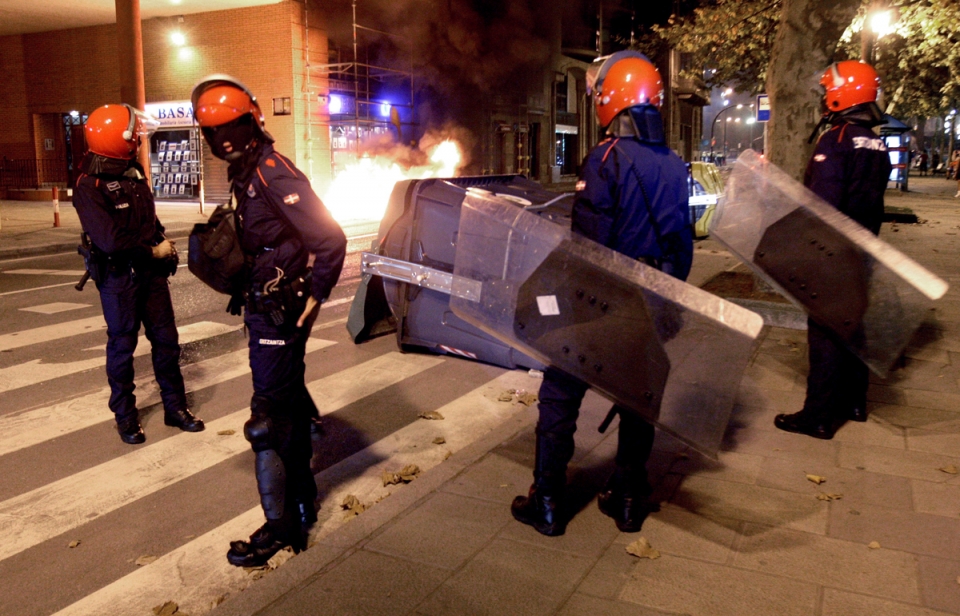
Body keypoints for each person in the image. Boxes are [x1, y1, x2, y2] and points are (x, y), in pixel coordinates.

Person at [511, 51, 693, 536]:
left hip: (605, 304)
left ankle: (547, 500)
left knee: (560, 392)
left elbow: (588, 250)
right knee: (639, 399)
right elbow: (681, 243)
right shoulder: (676, 165)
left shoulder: (607, 158)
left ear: (612, 99)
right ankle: (629, 499)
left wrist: (557, 306)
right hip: (652, 303)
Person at [191, 75, 347, 566]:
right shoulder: (249, 169)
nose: (220, 140)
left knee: (268, 421)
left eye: (223, 130)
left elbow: (331, 240)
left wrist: (316, 294)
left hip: (279, 314)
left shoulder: (271, 173)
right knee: (291, 413)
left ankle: (281, 527)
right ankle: (301, 502)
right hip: (264, 308)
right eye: (214, 133)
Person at [73, 104, 205, 445]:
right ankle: (125, 416)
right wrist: (152, 251)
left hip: (151, 276)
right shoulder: (90, 185)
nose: (138, 141)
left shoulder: (132, 174)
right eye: (134, 136)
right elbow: (110, 241)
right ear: (118, 139)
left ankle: (175, 407)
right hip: (119, 279)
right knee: (122, 348)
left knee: (167, 342)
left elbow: (149, 222)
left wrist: (162, 240)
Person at [774, 60, 891, 440]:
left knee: (825, 332)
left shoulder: (835, 141)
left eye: (829, 91)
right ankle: (856, 402)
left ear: (843, 95)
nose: (825, 98)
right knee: (854, 327)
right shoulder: (878, 144)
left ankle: (819, 416)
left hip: (833, 253)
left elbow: (821, 206)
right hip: (864, 248)